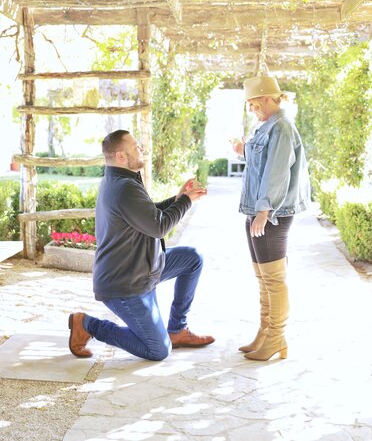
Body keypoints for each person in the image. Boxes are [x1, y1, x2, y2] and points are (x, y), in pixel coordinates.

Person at [68, 129, 215, 361]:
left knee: (192, 259)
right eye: (136, 146)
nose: (142, 149)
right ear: (120, 156)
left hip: (143, 268)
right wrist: (187, 201)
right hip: (125, 283)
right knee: (158, 350)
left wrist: (178, 199)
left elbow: (148, 214)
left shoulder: (122, 180)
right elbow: (159, 226)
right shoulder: (123, 187)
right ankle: (87, 325)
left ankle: (177, 330)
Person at [232, 75, 310, 362]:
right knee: (263, 278)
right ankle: (266, 333)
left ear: (267, 98)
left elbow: (277, 171)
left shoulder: (282, 128)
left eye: (253, 104)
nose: (251, 109)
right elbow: (262, 166)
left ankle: (276, 337)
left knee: (273, 279)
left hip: (272, 214)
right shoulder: (267, 125)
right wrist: (244, 151)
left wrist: (264, 211)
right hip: (256, 209)